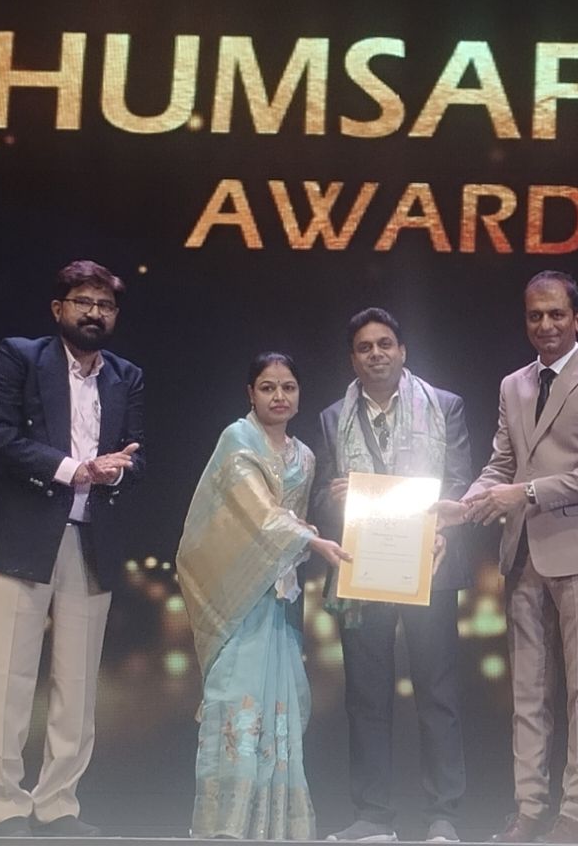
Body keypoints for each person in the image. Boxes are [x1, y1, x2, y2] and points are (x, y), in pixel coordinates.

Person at [436, 270, 578, 845]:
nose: (545, 325)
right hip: (522, 554)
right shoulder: (513, 385)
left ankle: (575, 817)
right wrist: (465, 505)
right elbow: (502, 463)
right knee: (527, 693)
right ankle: (528, 809)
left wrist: (522, 493)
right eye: (535, 315)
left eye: (556, 314)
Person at [0, 259, 145, 837]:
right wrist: (75, 469)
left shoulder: (127, 376)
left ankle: (57, 804)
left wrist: (116, 471)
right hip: (22, 536)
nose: (94, 313)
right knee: (6, 677)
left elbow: (136, 455)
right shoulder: (22, 357)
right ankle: (4, 805)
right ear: (58, 309)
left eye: (105, 305)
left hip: (90, 540)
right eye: (83, 302)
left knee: (78, 686)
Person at [312, 307, 472, 844]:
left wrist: (445, 527)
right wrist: (335, 498)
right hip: (363, 569)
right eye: (365, 347)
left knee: (438, 693)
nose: (376, 354)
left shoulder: (444, 406)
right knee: (366, 695)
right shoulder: (333, 417)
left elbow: (460, 482)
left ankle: (444, 815)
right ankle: (374, 815)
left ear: (403, 351)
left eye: (385, 344)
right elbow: (318, 496)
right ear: (352, 358)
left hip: (430, 564)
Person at [177, 352, 350, 839]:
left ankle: (275, 825)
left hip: (281, 597)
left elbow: (294, 518)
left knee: (282, 701)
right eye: (268, 387)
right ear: (250, 393)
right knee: (236, 698)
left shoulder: (305, 457)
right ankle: (226, 824)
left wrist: (316, 532)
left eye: (288, 387)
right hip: (239, 594)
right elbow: (256, 511)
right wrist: (311, 539)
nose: (279, 396)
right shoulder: (238, 438)